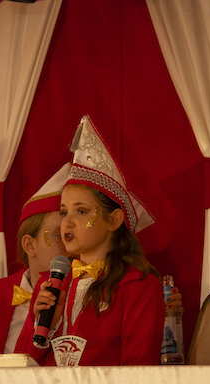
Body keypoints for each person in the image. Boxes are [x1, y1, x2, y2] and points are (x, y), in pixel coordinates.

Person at [24, 115, 165, 366]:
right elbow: (20, 366)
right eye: (64, 212)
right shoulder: (50, 285)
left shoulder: (137, 286)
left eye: (81, 211)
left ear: (114, 220)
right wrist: (43, 329)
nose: (67, 223)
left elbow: (138, 370)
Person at [0, 164, 70, 354]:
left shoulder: (78, 292)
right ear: (29, 245)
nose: (70, 246)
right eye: (59, 235)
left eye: (70, 235)